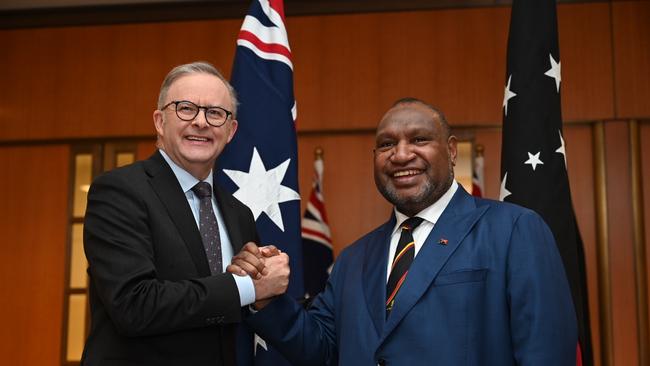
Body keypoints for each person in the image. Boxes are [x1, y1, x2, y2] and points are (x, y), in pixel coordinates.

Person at [231, 97, 578, 365]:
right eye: (386, 144)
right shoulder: (354, 260)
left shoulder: (515, 230)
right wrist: (266, 301)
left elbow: (545, 353)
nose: (400, 155)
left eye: (419, 139)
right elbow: (322, 349)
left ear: (452, 151)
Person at [81, 61, 288, 366]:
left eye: (215, 113)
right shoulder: (118, 192)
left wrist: (261, 292)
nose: (201, 122)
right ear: (159, 121)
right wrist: (247, 287)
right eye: (186, 108)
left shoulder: (238, 213)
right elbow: (134, 305)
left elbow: (231, 313)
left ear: (231, 131)